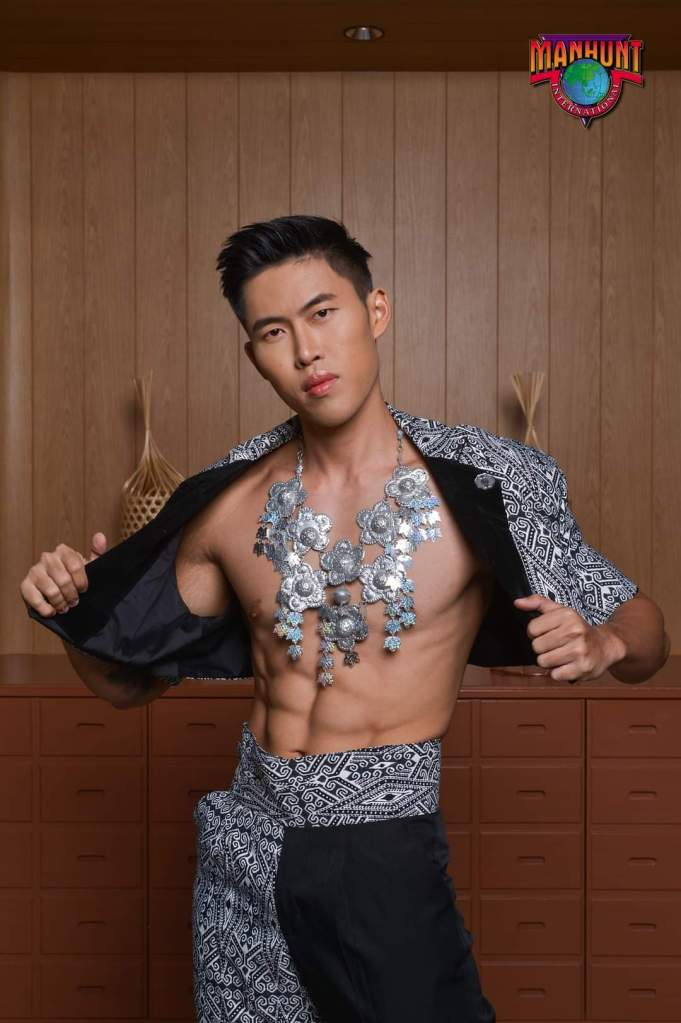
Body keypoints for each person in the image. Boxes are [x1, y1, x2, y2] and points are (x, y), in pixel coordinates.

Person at [20, 215, 670, 1023]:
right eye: (273, 331)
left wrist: (602, 641)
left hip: (380, 846)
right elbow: (127, 684)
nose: (305, 350)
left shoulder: (485, 482)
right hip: (244, 847)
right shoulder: (228, 501)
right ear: (254, 354)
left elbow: (646, 633)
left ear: (375, 311)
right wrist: (69, 611)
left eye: (322, 312)